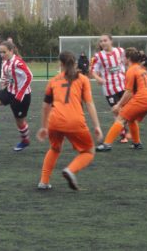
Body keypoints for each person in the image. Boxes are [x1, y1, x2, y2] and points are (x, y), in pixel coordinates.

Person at [37, 51, 103, 191]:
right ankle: (70, 170)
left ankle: (43, 181)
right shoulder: (83, 79)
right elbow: (89, 104)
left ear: (61, 64)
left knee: (55, 148)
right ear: (75, 63)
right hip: (74, 121)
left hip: (54, 121)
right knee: (89, 151)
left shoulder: (53, 80)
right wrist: (97, 126)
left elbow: (45, 106)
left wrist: (44, 127)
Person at [97, 48, 147, 152]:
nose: (121, 58)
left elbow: (128, 92)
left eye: (123, 57)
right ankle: (137, 143)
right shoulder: (141, 68)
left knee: (121, 118)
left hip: (141, 99)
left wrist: (118, 105)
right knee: (131, 119)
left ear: (128, 59)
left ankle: (107, 144)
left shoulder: (131, 70)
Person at [0, 41, 33, 152]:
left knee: (20, 122)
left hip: (22, 96)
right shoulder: (5, 62)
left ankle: (25, 140)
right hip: (9, 91)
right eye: (0, 52)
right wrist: (4, 83)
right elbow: (6, 74)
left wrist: (19, 94)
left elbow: (29, 76)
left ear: (11, 51)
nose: (2, 55)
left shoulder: (17, 62)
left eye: (4, 52)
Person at [91, 34, 129, 143]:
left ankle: (126, 130)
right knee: (116, 110)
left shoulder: (120, 51)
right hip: (109, 89)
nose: (103, 43)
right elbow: (93, 70)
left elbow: (127, 63)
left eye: (105, 40)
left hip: (123, 85)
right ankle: (123, 134)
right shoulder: (98, 56)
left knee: (126, 110)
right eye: (101, 41)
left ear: (111, 41)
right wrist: (98, 78)